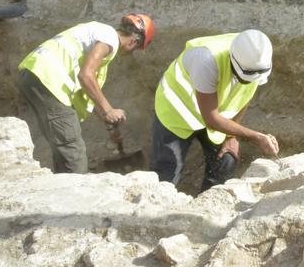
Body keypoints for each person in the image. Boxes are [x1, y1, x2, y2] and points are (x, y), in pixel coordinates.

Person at [17, 14, 155, 173]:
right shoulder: (109, 40)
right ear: (133, 41)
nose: (132, 52)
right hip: (48, 79)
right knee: (72, 149)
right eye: (137, 48)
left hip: (34, 75)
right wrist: (108, 110)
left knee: (62, 145)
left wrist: (109, 124)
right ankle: (75, 192)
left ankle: (63, 187)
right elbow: (86, 76)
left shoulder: (97, 33)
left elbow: (86, 91)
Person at [151, 29, 280, 191]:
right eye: (244, 78)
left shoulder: (254, 56)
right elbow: (211, 119)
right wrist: (257, 136)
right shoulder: (205, 60)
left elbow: (243, 96)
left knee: (226, 161)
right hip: (176, 113)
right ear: (234, 62)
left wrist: (231, 136)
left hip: (215, 118)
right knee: (166, 172)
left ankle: (208, 204)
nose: (248, 82)